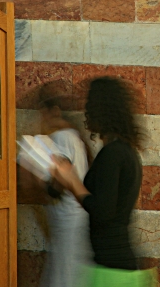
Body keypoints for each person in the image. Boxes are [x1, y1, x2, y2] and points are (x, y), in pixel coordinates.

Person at [50, 77, 155, 286]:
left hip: (113, 271)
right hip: (115, 267)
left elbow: (103, 211)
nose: (85, 111)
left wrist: (72, 181)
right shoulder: (123, 151)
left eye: (89, 105)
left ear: (101, 109)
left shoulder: (114, 153)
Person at [37, 85, 92, 287]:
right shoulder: (73, 136)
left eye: (43, 112)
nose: (42, 117)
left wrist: (41, 184)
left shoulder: (62, 137)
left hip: (68, 222)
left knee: (64, 278)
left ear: (55, 111)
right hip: (73, 222)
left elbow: (59, 181)